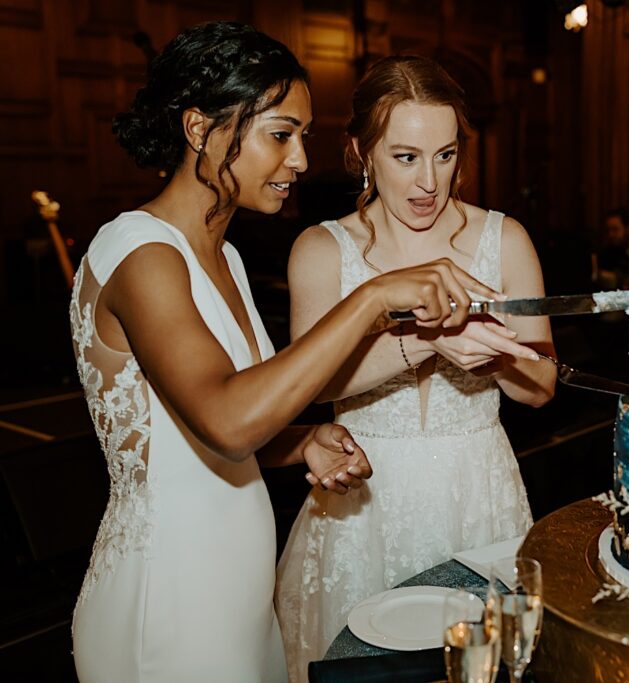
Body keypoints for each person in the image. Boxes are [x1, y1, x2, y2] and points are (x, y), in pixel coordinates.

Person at [69, 23, 533, 683]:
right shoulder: (140, 253)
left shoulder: (222, 257)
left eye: (303, 138)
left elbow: (208, 428)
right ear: (200, 128)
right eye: (279, 135)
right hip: (169, 596)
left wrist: (302, 441)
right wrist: (372, 298)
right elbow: (228, 421)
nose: (298, 161)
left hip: (241, 595)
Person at [274, 55, 556, 680]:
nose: (430, 182)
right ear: (361, 152)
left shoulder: (504, 240)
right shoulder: (322, 250)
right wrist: (430, 337)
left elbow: (539, 388)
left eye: (446, 155)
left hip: (478, 491)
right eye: (405, 157)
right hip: (362, 501)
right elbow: (313, 386)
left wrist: (495, 349)